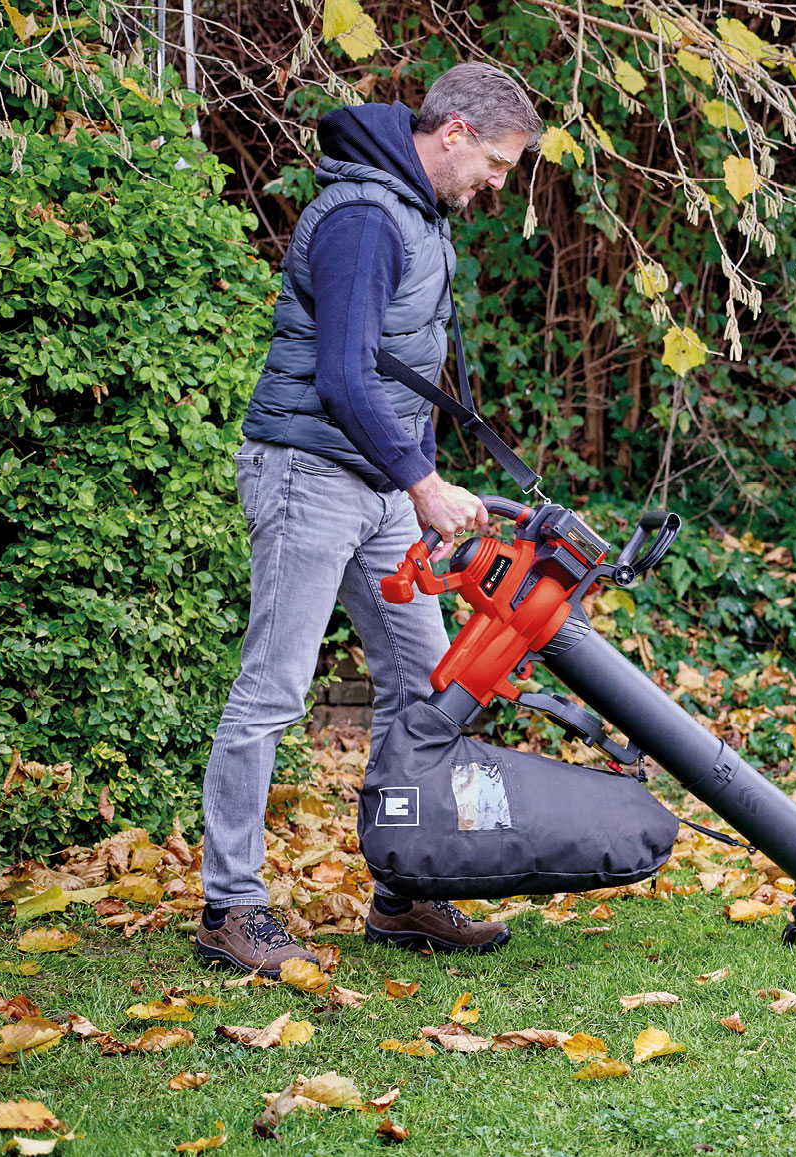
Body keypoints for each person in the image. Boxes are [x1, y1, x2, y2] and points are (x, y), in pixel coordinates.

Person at [194, 62, 542, 977]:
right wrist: (423, 483)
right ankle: (230, 904)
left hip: (377, 486)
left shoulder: (416, 213)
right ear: (456, 131)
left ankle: (401, 888)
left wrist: (412, 479)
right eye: (500, 164)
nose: (500, 185)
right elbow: (342, 376)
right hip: (310, 474)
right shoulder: (362, 218)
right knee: (271, 692)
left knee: (423, 688)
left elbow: (391, 373)